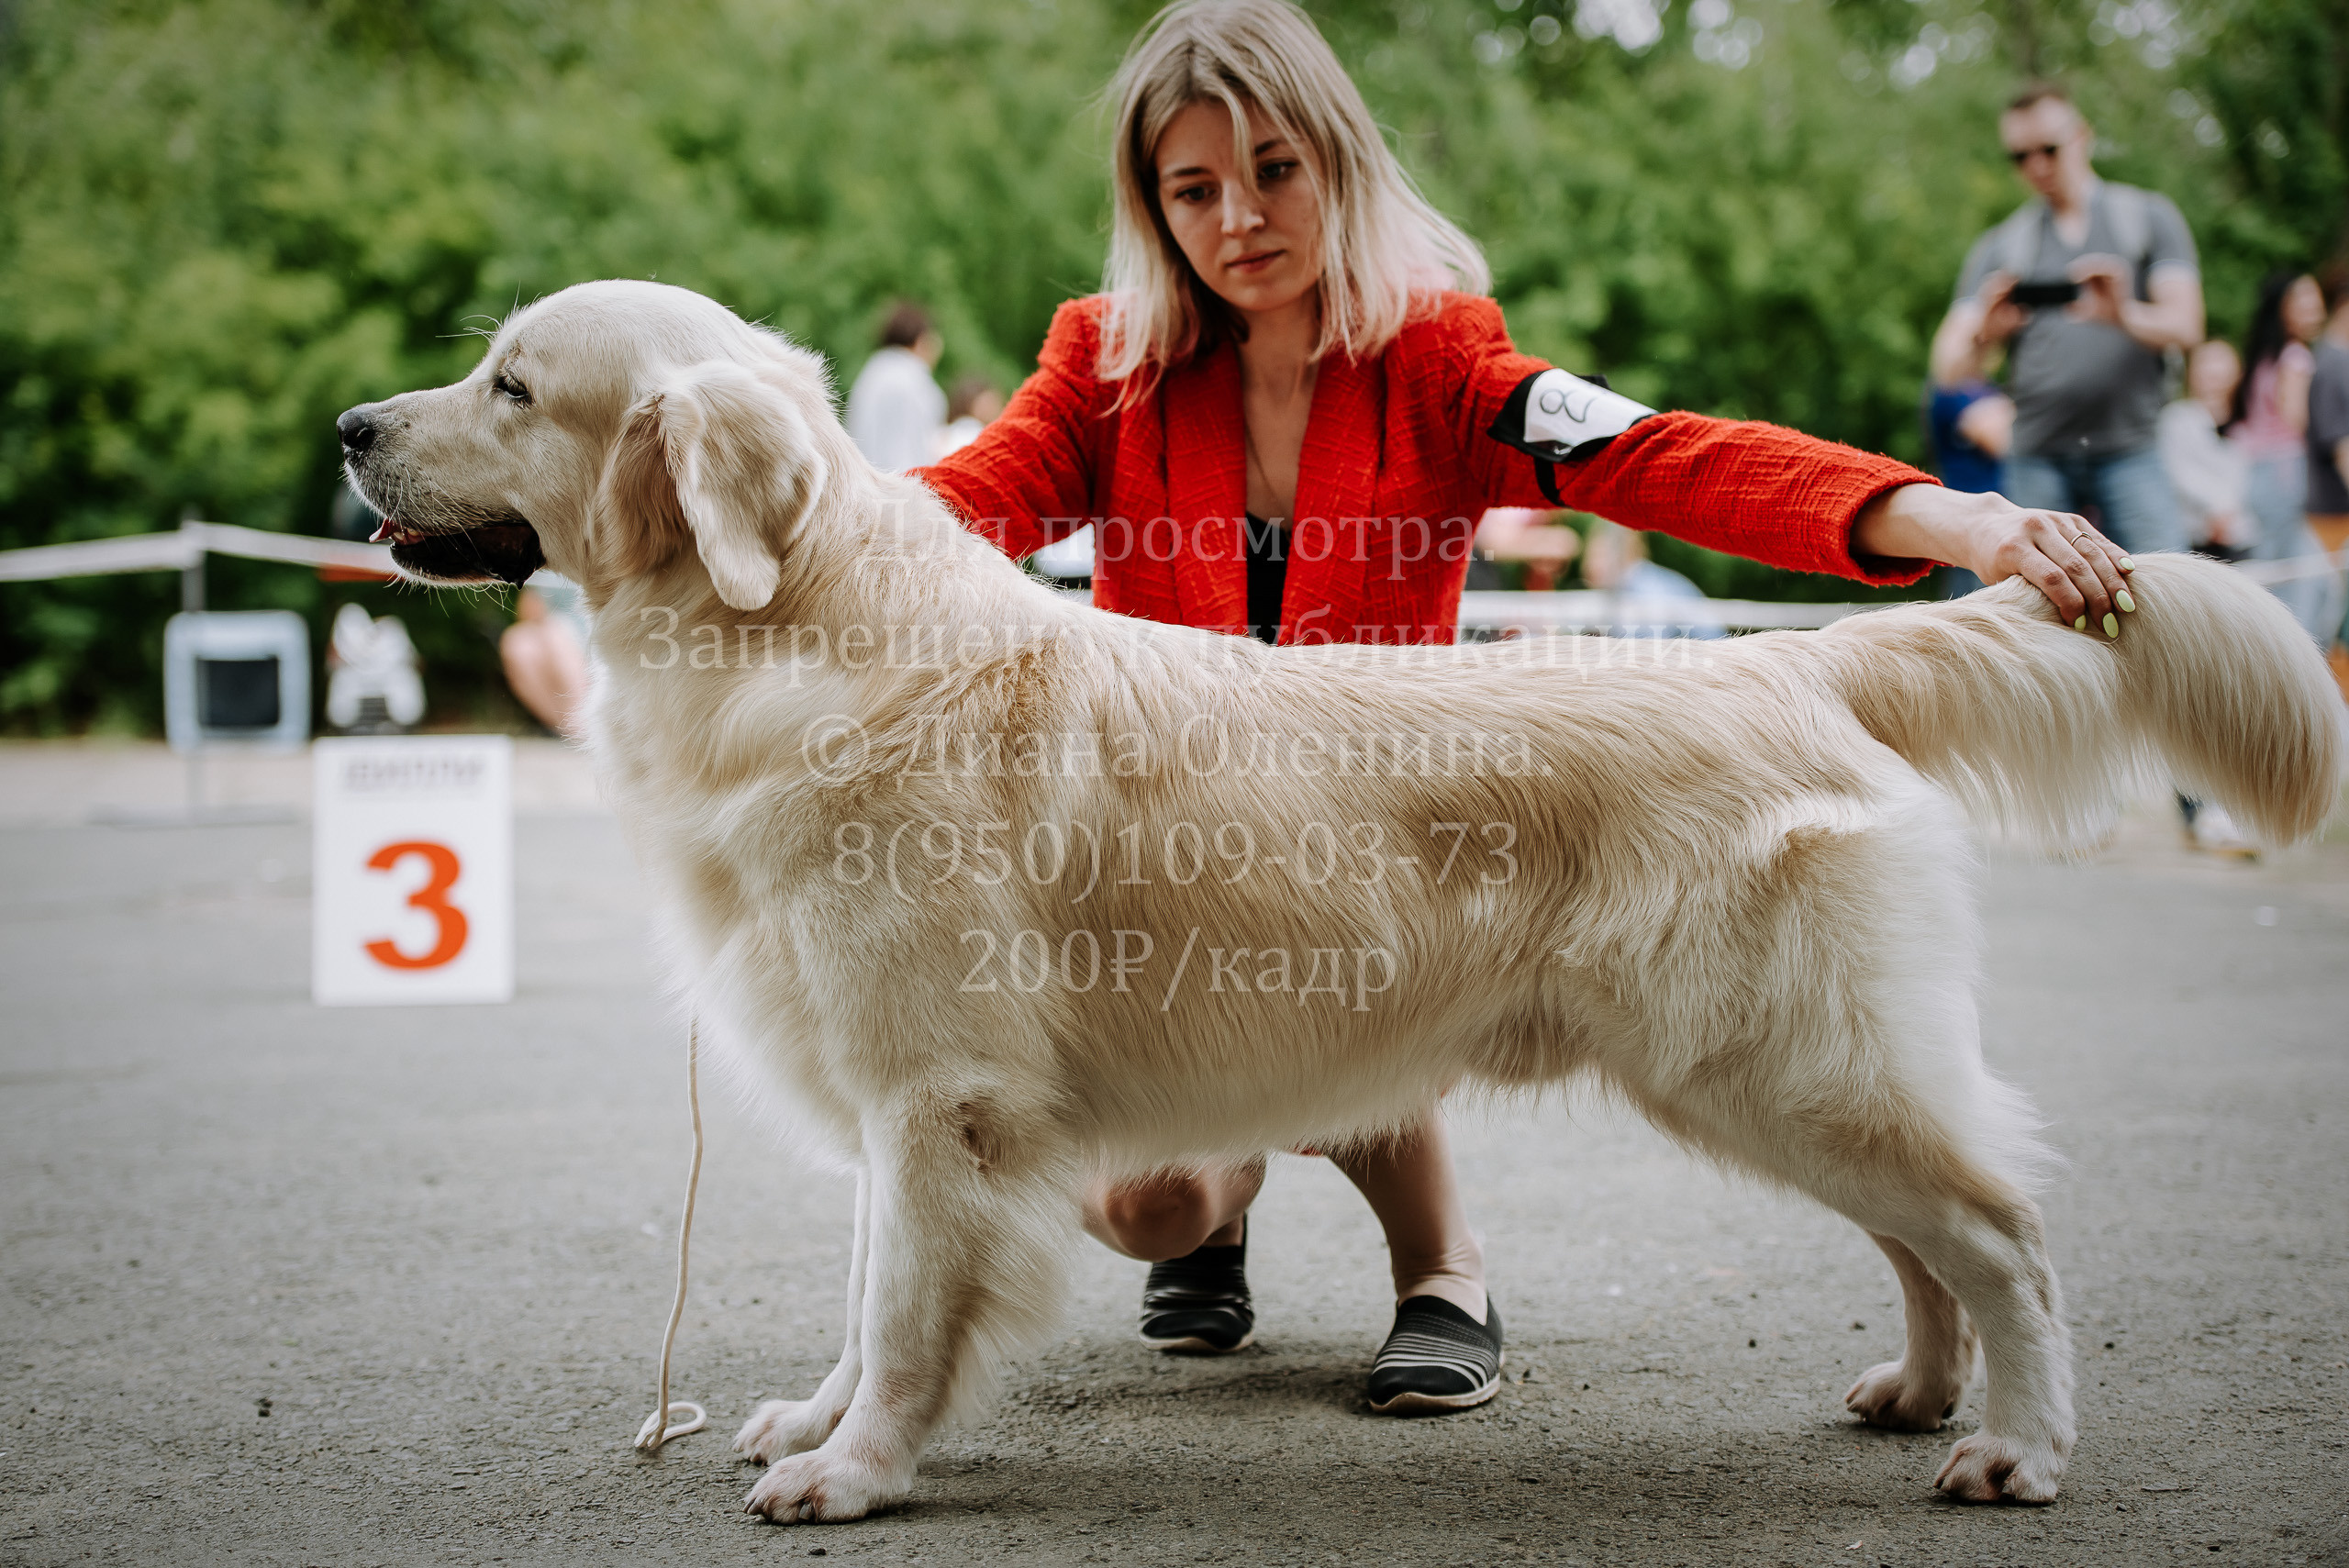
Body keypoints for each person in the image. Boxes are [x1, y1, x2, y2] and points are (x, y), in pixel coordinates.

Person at [915, 0, 2133, 1414]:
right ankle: (1218, 1216)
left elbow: (1664, 458)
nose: (1239, 217)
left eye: (1277, 169)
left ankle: (1444, 1272)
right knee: (1148, 1210)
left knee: (1437, 980)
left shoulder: (1437, 359)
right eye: (1194, 188)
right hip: (1182, 859)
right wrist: (773, 528)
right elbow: (956, 506)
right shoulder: (1103, 370)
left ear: (1342, 164)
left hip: (1402, 837)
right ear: (1152, 205)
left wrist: (1956, 528)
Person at [1931, 84, 2203, 560]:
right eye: (2020, 156)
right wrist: (1986, 334)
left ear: (2082, 136)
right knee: (2034, 618)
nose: (2036, 165)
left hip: (2132, 448)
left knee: (2172, 606)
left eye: (2049, 149)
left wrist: (2122, 314)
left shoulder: (2147, 218)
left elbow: (2187, 327)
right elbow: (1947, 367)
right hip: (2036, 456)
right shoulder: (2002, 245)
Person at [2152, 339, 2259, 856]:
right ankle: (2199, 809)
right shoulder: (2178, 422)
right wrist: (2221, 507)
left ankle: (2224, 805)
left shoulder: (2244, 427)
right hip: (2193, 554)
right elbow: (2184, 479)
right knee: (2194, 687)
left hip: (2241, 558)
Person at [2229, 272, 2333, 639]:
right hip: (2286, 472)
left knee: (2277, 566)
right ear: (2283, 308)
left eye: (2315, 298)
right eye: (2303, 299)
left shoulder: (2263, 357)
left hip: (2255, 473)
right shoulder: (2296, 357)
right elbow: (2297, 420)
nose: (2314, 307)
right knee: (2290, 570)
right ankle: (2290, 650)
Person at [844, 301, 947, 473]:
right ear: (921, 340)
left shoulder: (871, 372)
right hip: (906, 485)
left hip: (863, 482)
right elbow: (921, 444)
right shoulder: (915, 377)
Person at [1580, 518, 1724, 638]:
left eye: (1599, 555)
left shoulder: (1647, 592)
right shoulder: (1632, 587)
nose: (1590, 565)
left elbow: (1647, 654)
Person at [499, 580, 589, 737]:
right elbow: (527, 611)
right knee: (517, 643)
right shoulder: (545, 564)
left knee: (555, 636)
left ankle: (581, 727)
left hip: (593, 633)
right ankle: (570, 729)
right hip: (556, 635)